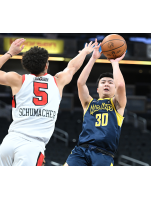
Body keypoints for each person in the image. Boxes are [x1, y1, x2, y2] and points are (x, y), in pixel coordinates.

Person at [0, 38, 96, 166]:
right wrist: (84, 52)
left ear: (26, 66)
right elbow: (72, 67)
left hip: (10, 141)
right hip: (32, 145)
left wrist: (10, 53)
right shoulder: (58, 81)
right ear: (46, 65)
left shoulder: (17, 80)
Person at [65, 39, 127, 166]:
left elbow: (120, 84)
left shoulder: (117, 105)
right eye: (103, 82)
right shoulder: (88, 103)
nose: (107, 84)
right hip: (81, 151)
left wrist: (115, 63)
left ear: (114, 89)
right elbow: (80, 83)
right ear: (97, 88)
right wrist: (93, 58)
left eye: (110, 82)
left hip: (103, 154)